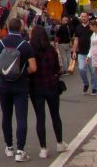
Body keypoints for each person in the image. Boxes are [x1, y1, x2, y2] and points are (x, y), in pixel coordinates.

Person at [0, 18, 37, 162]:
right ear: (21, 28)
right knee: (21, 117)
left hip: (4, 85)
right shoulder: (25, 46)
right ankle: (20, 150)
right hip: (20, 86)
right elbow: (33, 68)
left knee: (6, 116)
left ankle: (9, 147)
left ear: (7, 28)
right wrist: (22, 73)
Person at [29, 25, 68, 158]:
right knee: (55, 115)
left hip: (35, 87)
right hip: (51, 85)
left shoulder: (30, 50)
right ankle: (59, 142)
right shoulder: (51, 50)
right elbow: (57, 68)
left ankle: (43, 148)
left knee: (40, 117)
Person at [72, 12, 97, 95]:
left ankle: (94, 87)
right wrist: (74, 51)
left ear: (88, 17)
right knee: (81, 69)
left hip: (92, 52)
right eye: (82, 16)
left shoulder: (91, 26)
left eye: (85, 16)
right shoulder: (78, 27)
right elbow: (76, 40)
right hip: (81, 53)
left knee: (93, 71)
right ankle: (86, 83)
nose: (83, 18)